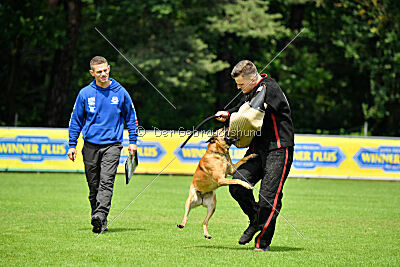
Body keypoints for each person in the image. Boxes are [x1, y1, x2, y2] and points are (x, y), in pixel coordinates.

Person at [215, 60, 294, 252]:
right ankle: (256, 220)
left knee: (268, 197)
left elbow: (249, 114)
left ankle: (262, 243)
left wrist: (231, 119)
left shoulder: (268, 89)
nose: (238, 87)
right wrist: (227, 113)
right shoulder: (252, 91)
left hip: (278, 149)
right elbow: (242, 108)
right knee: (238, 186)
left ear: (252, 79)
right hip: (258, 150)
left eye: (241, 84)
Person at [67, 56, 138, 233]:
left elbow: (131, 118)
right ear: (92, 73)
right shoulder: (84, 94)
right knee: (94, 187)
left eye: (105, 70)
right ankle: (99, 221)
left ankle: (99, 214)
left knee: (106, 182)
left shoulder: (120, 92)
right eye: (99, 72)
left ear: (109, 69)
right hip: (90, 145)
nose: (103, 74)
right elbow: (76, 120)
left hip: (112, 146)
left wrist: (133, 142)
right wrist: (72, 144)